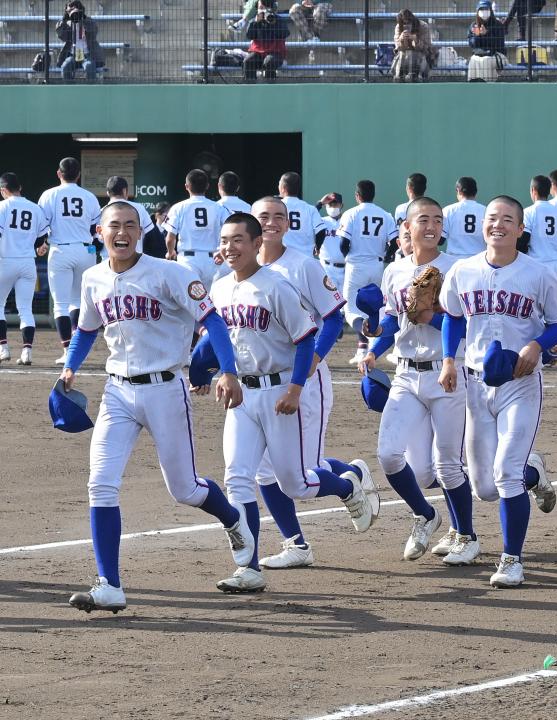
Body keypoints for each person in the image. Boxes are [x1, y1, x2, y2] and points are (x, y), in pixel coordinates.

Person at [61, 202, 252, 613]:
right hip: (117, 392)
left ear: (142, 230)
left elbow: (213, 321)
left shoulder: (171, 273)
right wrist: (69, 369)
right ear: (99, 231)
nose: (123, 232)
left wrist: (228, 371)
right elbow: (86, 330)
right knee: (100, 483)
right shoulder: (94, 278)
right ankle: (108, 584)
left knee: (184, 490)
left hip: (166, 389)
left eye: (131, 224)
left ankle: (232, 519)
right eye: (115, 225)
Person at [201, 211, 375, 592]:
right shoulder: (219, 287)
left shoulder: (276, 286)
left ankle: (347, 487)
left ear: (255, 243)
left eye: (238, 240)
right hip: (243, 396)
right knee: (238, 478)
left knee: (294, 483)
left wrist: (296, 388)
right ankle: (248, 568)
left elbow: (305, 338)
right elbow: (216, 337)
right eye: (225, 240)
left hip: (280, 391)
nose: (230, 248)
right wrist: (206, 372)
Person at [438, 195, 557, 588]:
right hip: (476, 384)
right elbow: (453, 319)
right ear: (483, 226)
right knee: (485, 488)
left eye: (507, 219)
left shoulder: (538, 273)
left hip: (521, 384)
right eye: (492, 218)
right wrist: (448, 360)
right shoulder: (462, 271)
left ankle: (512, 560)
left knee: (506, 473)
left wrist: (537, 345)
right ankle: (536, 471)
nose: (498, 225)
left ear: (520, 228)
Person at [361, 198, 479, 565]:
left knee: (446, 465)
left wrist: (430, 315)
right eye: (423, 219)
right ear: (407, 228)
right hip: (405, 373)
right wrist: (374, 341)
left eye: (438, 220)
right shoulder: (394, 271)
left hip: (448, 372)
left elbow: (466, 326)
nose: (431, 225)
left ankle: (467, 537)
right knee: (389, 455)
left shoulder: (456, 269)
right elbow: (394, 320)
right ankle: (425, 515)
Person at [38, 157, 101, 365]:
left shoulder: (49, 194)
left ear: (59, 173)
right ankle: (76, 347)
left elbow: (41, 226)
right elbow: (95, 230)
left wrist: (42, 242)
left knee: (61, 305)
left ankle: (67, 351)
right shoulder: (90, 196)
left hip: (61, 250)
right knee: (78, 302)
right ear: (79, 175)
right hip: (85, 250)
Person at [337, 180, 395, 365]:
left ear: (357, 195)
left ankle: (367, 336)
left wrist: (349, 256)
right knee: (376, 308)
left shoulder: (351, 213)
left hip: (356, 265)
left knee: (351, 309)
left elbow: (343, 243)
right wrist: (385, 255)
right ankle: (369, 344)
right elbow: (394, 242)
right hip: (377, 265)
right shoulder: (385, 214)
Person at [0, 172, 49, 366]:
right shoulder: (35, 208)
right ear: (20, 187)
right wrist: (40, 247)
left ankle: (3, 348)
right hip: (28, 262)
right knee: (25, 310)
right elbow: (41, 241)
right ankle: (27, 352)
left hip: (5, 261)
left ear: (4, 190)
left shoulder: (2, 206)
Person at [164, 169, 231, 289]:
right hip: (212, 260)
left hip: (188, 259)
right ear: (207, 186)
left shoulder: (178, 207)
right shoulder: (218, 207)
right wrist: (223, 251)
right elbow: (231, 231)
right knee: (211, 301)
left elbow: (170, 238)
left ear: (187, 186)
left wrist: (170, 252)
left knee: (190, 300)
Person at [523, 175, 557, 281]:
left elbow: (522, 241)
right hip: (556, 265)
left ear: (533, 190)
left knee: (535, 296)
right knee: (553, 296)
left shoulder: (529, 212)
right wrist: (555, 252)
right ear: (549, 190)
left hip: (535, 263)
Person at [278, 172, 330, 258]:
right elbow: (321, 231)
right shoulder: (310, 209)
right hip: (305, 257)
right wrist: (318, 247)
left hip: (282, 257)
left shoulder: (276, 206)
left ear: (283, 188)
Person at [56, 0, 104, 82]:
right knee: (65, 67)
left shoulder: (88, 21)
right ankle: (69, 88)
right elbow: (61, 36)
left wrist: (82, 16)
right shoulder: (67, 23)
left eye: (76, 9)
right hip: (72, 55)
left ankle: (91, 89)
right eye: (71, 10)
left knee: (89, 66)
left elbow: (94, 32)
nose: (74, 13)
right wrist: (65, 18)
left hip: (87, 55)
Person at [104, 176, 153, 255]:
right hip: (135, 261)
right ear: (124, 191)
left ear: (108, 193)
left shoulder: (102, 211)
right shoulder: (139, 208)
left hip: (108, 261)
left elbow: (97, 242)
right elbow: (151, 236)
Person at [442, 177, 486, 262]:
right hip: (479, 260)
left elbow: (440, 240)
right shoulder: (486, 210)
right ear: (475, 191)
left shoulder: (448, 210)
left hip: (454, 261)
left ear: (458, 190)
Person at [244, 0, 290, 82]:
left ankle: (270, 88)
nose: (264, 11)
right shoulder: (255, 21)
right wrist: (255, 22)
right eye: (261, 8)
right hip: (258, 53)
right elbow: (249, 36)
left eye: (266, 8)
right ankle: (250, 87)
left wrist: (274, 23)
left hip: (276, 53)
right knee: (248, 60)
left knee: (269, 61)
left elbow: (285, 34)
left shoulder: (279, 20)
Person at [468, 0, 508, 82]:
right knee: (473, 60)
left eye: (486, 9)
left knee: (486, 61)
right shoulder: (474, 25)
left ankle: (488, 85)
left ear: (490, 10)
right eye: (481, 9)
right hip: (480, 54)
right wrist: (478, 35)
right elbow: (472, 44)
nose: (484, 11)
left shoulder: (498, 25)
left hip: (497, 54)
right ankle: (473, 85)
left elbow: (498, 44)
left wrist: (486, 34)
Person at [393, 9, 437, 82]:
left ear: (412, 20)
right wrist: (401, 40)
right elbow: (397, 48)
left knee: (413, 54)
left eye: (408, 23)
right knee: (401, 54)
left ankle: (417, 77)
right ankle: (399, 77)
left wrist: (416, 40)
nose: (406, 25)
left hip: (420, 57)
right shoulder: (398, 27)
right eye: (404, 23)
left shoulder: (423, 26)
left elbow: (427, 47)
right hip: (403, 58)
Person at [316, 192, 346, 293]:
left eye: (335, 204)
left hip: (346, 269)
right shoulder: (321, 221)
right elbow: (307, 217)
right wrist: (320, 203)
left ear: (341, 205)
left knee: (346, 305)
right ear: (325, 206)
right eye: (330, 204)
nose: (333, 206)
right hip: (326, 268)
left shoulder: (348, 220)